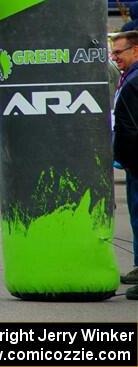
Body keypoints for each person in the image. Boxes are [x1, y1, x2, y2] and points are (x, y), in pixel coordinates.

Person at [110, 31, 138, 299]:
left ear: (136, 51)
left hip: (136, 162)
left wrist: (129, 158)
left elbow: (131, 128)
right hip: (131, 163)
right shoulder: (127, 77)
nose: (114, 57)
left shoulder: (135, 81)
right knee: (136, 216)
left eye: (119, 52)